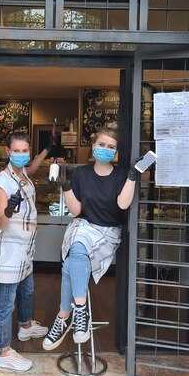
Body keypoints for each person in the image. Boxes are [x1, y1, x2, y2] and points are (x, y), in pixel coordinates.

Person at [42, 127, 145, 350]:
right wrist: (65, 185)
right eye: (102, 145)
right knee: (78, 246)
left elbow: (122, 205)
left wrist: (133, 176)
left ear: (116, 151)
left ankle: (63, 316)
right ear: (93, 146)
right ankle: (81, 312)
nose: (105, 149)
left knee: (71, 260)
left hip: (108, 233)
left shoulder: (120, 174)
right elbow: (76, 210)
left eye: (111, 147)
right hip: (84, 225)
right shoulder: (81, 174)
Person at [0, 131, 53, 371]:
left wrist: (47, 148)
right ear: (8, 152)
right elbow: (0, 222)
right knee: (6, 301)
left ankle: (25, 327)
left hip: (27, 244)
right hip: (11, 246)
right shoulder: (2, 181)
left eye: (24, 151)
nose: (21, 155)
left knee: (27, 291)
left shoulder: (23, 173)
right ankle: (2, 350)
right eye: (16, 151)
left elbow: (34, 167)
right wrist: (9, 210)